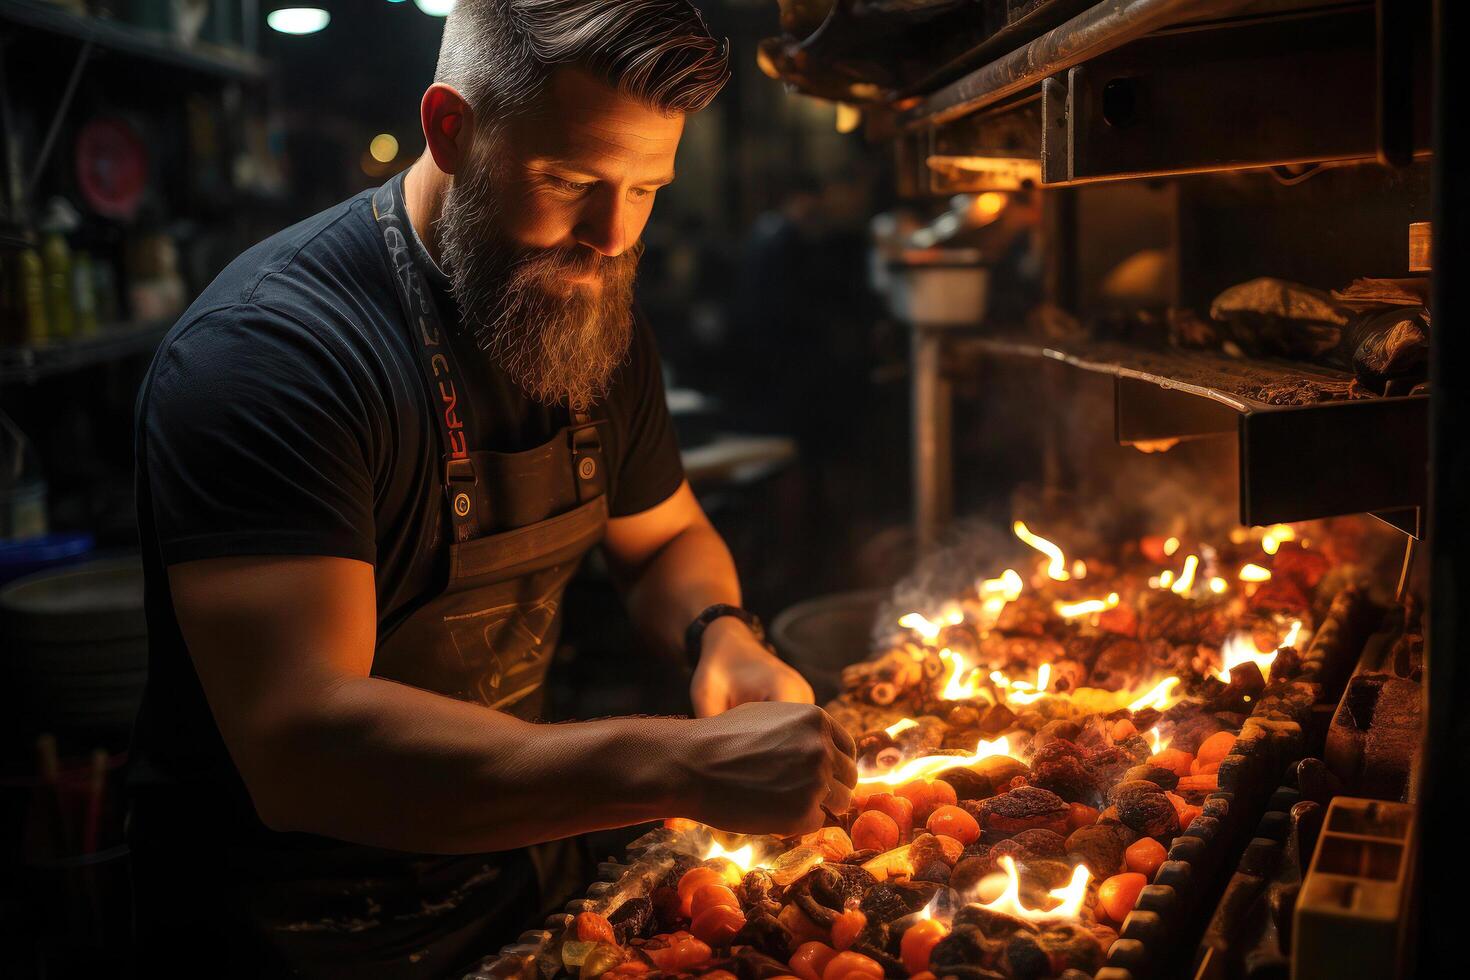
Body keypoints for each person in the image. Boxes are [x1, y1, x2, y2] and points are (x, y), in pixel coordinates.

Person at [126, 2, 857, 975]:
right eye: (570, 181)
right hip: (290, 937)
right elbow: (304, 744)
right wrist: (683, 765)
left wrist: (720, 631)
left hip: (518, 889)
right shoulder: (272, 356)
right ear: (449, 128)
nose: (610, 235)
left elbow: (667, 540)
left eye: (648, 188)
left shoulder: (591, 312)